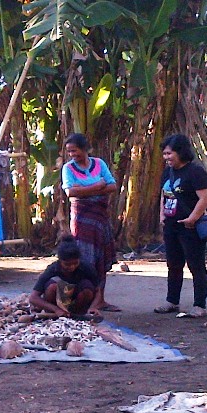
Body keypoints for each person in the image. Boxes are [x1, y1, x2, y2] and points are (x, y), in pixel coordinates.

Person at [62, 133, 120, 312]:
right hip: (81, 220)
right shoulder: (68, 169)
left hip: (100, 219)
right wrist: (96, 187)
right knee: (83, 258)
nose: (72, 155)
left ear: (85, 148)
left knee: (101, 258)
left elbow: (112, 186)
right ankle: (82, 299)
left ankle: (100, 299)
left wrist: (83, 189)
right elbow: (70, 193)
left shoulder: (99, 164)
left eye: (75, 150)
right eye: (69, 152)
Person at [155, 134, 207, 318]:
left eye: (170, 154)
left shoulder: (195, 172)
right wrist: (162, 214)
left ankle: (199, 304)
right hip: (171, 225)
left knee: (196, 265)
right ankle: (172, 301)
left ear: (181, 152)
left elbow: (204, 198)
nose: (167, 158)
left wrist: (193, 218)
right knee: (173, 264)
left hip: (190, 227)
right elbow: (164, 193)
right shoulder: (167, 172)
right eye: (164, 154)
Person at [30, 235, 101, 316]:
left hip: (77, 300)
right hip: (58, 302)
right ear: (60, 261)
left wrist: (93, 307)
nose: (72, 267)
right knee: (52, 287)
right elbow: (33, 298)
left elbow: (98, 291)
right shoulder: (52, 269)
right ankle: (54, 313)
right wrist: (55, 309)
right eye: (67, 264)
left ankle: (78, 314)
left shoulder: (87, 268)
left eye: (75, 263)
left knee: (87, 286)